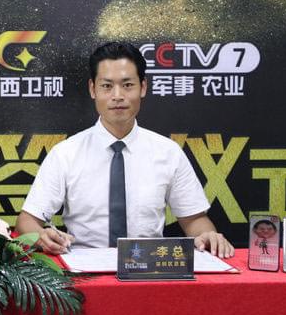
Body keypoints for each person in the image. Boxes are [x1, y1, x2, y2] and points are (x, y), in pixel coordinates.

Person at [16, 42, 234, 258]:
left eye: (128, 85)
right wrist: (41, 236)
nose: (117, 95)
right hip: (83, 267)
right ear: (93, 89)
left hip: (150, 267)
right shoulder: (65, 153)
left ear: (143, 87)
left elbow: (194, 219)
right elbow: (27, 221)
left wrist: (207, 236)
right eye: (107, 86)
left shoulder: (168, 152)